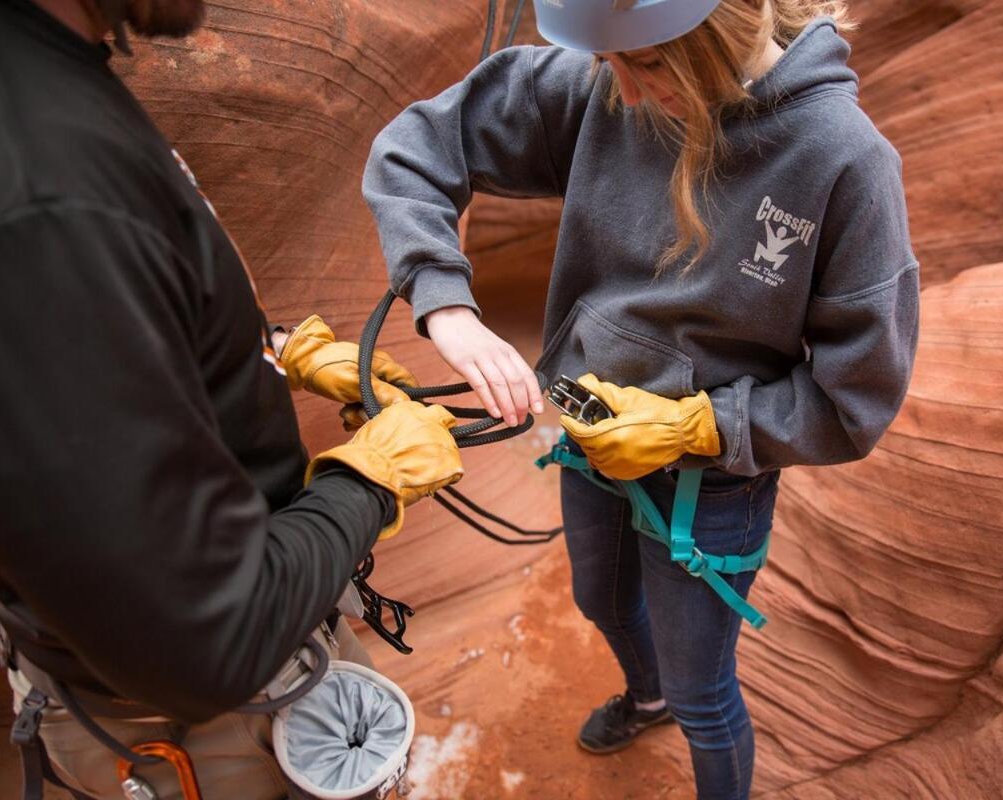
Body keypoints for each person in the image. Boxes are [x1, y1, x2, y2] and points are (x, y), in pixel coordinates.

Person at [363, 0, 919, 797]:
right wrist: (446, 305)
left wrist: (697, 424)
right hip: (592, 437)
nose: (620, 93)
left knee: (706, 693)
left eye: (648, 65)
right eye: (608, 62)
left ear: (720, 30)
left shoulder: (843, 161)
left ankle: (682, 713)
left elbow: (855, 397)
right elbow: (414, 150)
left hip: (714, 480)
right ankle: (643, 695)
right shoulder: (609, 81)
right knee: (601, 601)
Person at [0, 1, 463, 798]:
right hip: (207, 723)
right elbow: (207, 639)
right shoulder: (38, 187)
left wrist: (274, 354)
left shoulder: (47, 86)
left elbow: (113, 334)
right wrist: (368, 483)